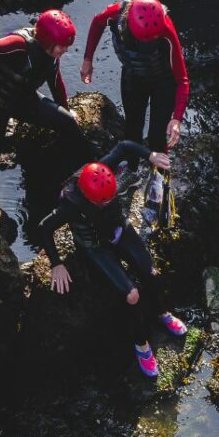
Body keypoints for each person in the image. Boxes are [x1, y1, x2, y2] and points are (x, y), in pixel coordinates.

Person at [38, 140, 187, 379]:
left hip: (119, 230)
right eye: (103, 201)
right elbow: (45, 228)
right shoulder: (70, 205)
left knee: (151, 274)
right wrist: (56, 263)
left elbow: (124, 146)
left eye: (110, 197)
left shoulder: (101, 168)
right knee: (131, 295)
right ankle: (141, 345)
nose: (109, 201)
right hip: (95, 246)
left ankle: (161, 312)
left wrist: (151, 156)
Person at [80, 0, 189, 197]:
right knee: (132, 127)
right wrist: (88, 59)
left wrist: (177, 118)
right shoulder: (115, 13)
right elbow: (96, 23)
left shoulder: (166, 29)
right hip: (133, 74)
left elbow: (182, 79)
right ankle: (132, 172)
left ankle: (161, 179)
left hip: (162, 81)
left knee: (157, 135)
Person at [0, 10, 89, 181]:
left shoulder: (52, 53)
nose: (66, 50)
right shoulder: (20, 43)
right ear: (48, 41)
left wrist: (66, 109)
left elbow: (55, 83)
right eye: (63, 46)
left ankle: (85, 166)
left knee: (67, 121)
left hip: (22, 100)